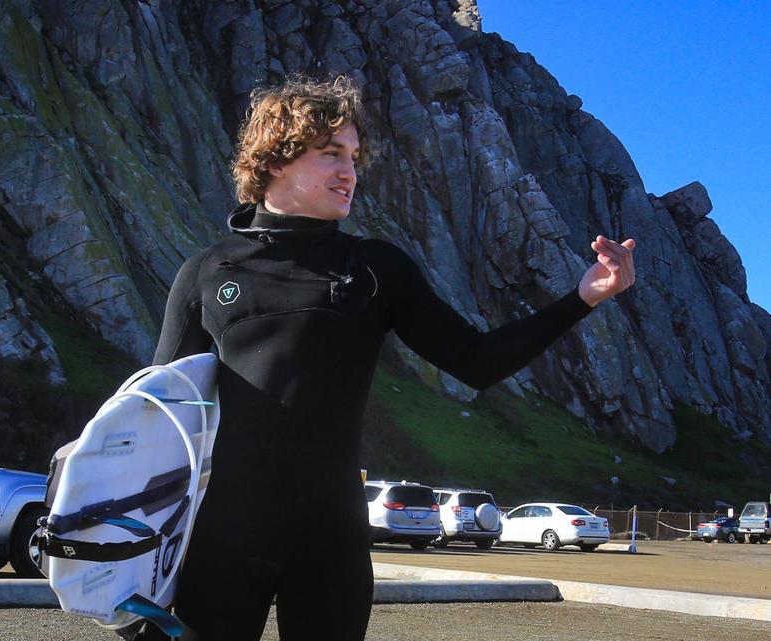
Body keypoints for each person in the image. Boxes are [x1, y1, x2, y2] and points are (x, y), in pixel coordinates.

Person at [142, 76, 636, 641]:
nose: (350, 171)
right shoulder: (207, 272)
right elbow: (157, 415)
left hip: (331, 543)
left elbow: (476, 360)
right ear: (276, 159)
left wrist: (583, 297)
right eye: (331, 154)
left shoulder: (374, 268)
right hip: (224, 538)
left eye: (353, 156)